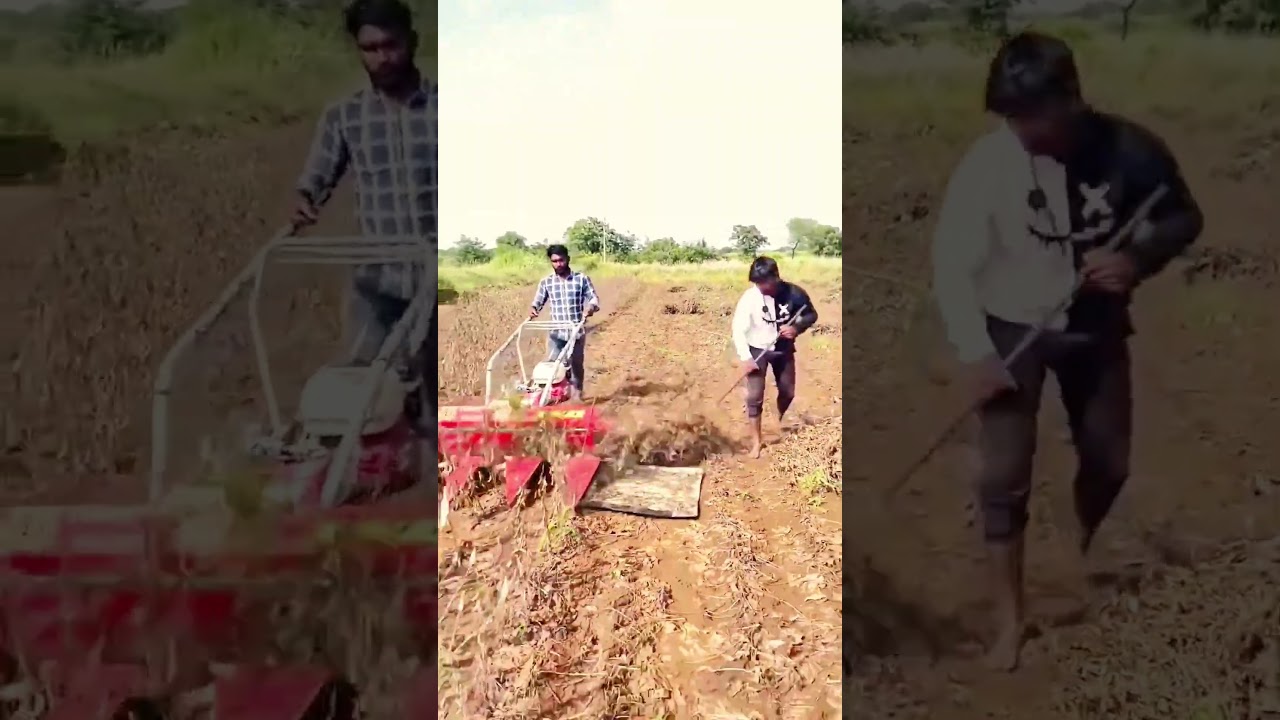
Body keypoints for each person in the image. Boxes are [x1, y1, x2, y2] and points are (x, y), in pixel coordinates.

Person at [931, 31, 1203, 672]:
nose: (1021, 131)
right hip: (1008, 329)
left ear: (1072, 99)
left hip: (1094, 326)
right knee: (1002, 477)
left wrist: (1136, 259)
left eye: (1033, 117)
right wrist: (976, 353)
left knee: (1109, 463)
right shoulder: (988, 165)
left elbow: (1183, 217)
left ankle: (1075, 550)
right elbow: (951, 263)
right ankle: (1010, 621)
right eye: (1010, 118)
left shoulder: (1132, 152)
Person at [291, 0, 436, 377]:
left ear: (412, 42)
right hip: (377, 283)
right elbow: (315, 179)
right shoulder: (345, 116)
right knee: (364, 392)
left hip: (437, 281)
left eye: (391, 45)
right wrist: (304, 200)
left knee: (433, 393)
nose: (382, 58)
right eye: (370, 49)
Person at [731, 256, 818, 458]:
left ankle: (777, 420)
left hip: (783, 349)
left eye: (764, 283)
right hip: (756, 350)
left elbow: (811, 315)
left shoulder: (795, 294)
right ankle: (756, 442)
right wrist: (746, 358)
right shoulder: (749, 298)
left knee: (788, 392)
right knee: (754, 397)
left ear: (776, 277)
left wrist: (796, 328)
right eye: (757, 283)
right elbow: (738, 329)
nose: (760, 287)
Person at [528, 245, 601, 400]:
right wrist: (534, 309)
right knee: (552, 364)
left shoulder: (581, 279)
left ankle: (577, 395)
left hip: (575, 331)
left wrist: (591, 307)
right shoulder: (546, 282)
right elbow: (538, 302)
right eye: (554, 261)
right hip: (556, 333)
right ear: (550, 262)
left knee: (575, 365)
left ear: (568, 259)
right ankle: (552, 395)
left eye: (561, 260)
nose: (558, 264)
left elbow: (593, 298)